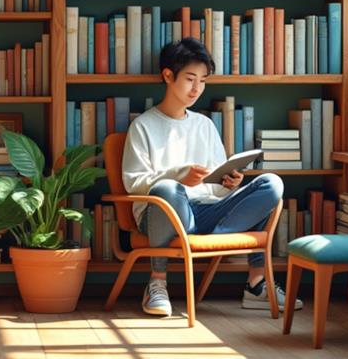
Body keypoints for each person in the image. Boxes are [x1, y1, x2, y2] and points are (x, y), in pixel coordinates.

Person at [121, 38, 303, 317]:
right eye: (190, 79)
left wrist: (229, 184)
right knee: (168, 189)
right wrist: (179, 176)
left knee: (271, 184)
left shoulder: (204, 125)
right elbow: (134, 182)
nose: (197, 89)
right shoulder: (143, 126)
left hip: (206, 213)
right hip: (164, 215)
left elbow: (217, 180)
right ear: (168, 76)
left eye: (203, 81)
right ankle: (157, 282)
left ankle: (255, 283)